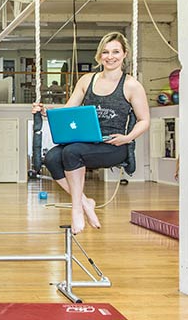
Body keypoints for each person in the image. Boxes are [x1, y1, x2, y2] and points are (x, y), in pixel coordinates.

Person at [33, 32, 150, 235]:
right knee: (52, 158)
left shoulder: (131, 85)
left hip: (113, 144)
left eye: (115, 52)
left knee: (71, 153)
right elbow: (68, 110)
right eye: (105, 52)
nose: (110, 56)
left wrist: (128, 138)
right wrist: (46, 110)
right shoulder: (87, 80)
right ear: (99, 56)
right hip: (85, 141)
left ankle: (77, 209)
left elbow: (144, 120)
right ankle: (86, 202)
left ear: (124, 54)